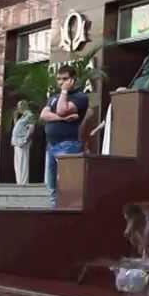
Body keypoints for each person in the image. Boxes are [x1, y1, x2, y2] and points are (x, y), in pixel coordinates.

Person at [41, 65, 93, 207]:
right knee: (52, 186)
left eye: (65, 79)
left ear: (73, 80)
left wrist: (64, 91)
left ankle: (68, 210)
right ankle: (55, 211)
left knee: (67, 184)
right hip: (51, 146)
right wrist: (62, 119)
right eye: (58, 79)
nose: (61, 82)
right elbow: (43, 115)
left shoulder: (80, 97)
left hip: (68, 145)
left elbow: (62, 110)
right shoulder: (53, 97)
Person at [11, 100, 36, 185]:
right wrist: (15, 118)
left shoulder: (30, 115)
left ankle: (24, 182)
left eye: (19, 106)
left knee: (23, 162)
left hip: (22, 142)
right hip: (17, 142)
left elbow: (31, 128)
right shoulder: (22, 116)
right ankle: (19, 181)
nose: (18, 108)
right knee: (18, 162)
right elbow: (17, 127)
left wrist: (26, 139)